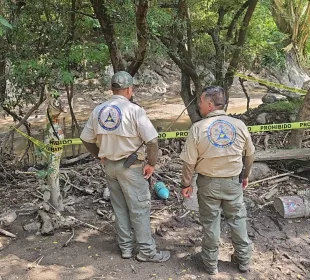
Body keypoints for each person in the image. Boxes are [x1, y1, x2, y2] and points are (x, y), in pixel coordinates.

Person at [80, 71, 170, 263]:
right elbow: (152, 140)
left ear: (111, 89)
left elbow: (85, 138)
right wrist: (151, 164)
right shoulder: (134, 110)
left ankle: (126, 248)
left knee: (120, 208)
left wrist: (100, 156)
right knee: (139, 208)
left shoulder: (98, 110)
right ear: (129, 89)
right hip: (131, 167)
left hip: (110, 167)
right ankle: (146, 251)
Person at [180, 86, 255, 275]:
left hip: (208, 184)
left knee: (210, 222)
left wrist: (186, 184)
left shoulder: (197, 128)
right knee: (238, 219)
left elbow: (189, 162)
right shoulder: (239, 125)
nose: (199, 105)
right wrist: (245, 175)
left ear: (210, 104)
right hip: (233, 182)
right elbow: (250, 154)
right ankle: (244, 260)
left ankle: (211, 264)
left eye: (201, 102)